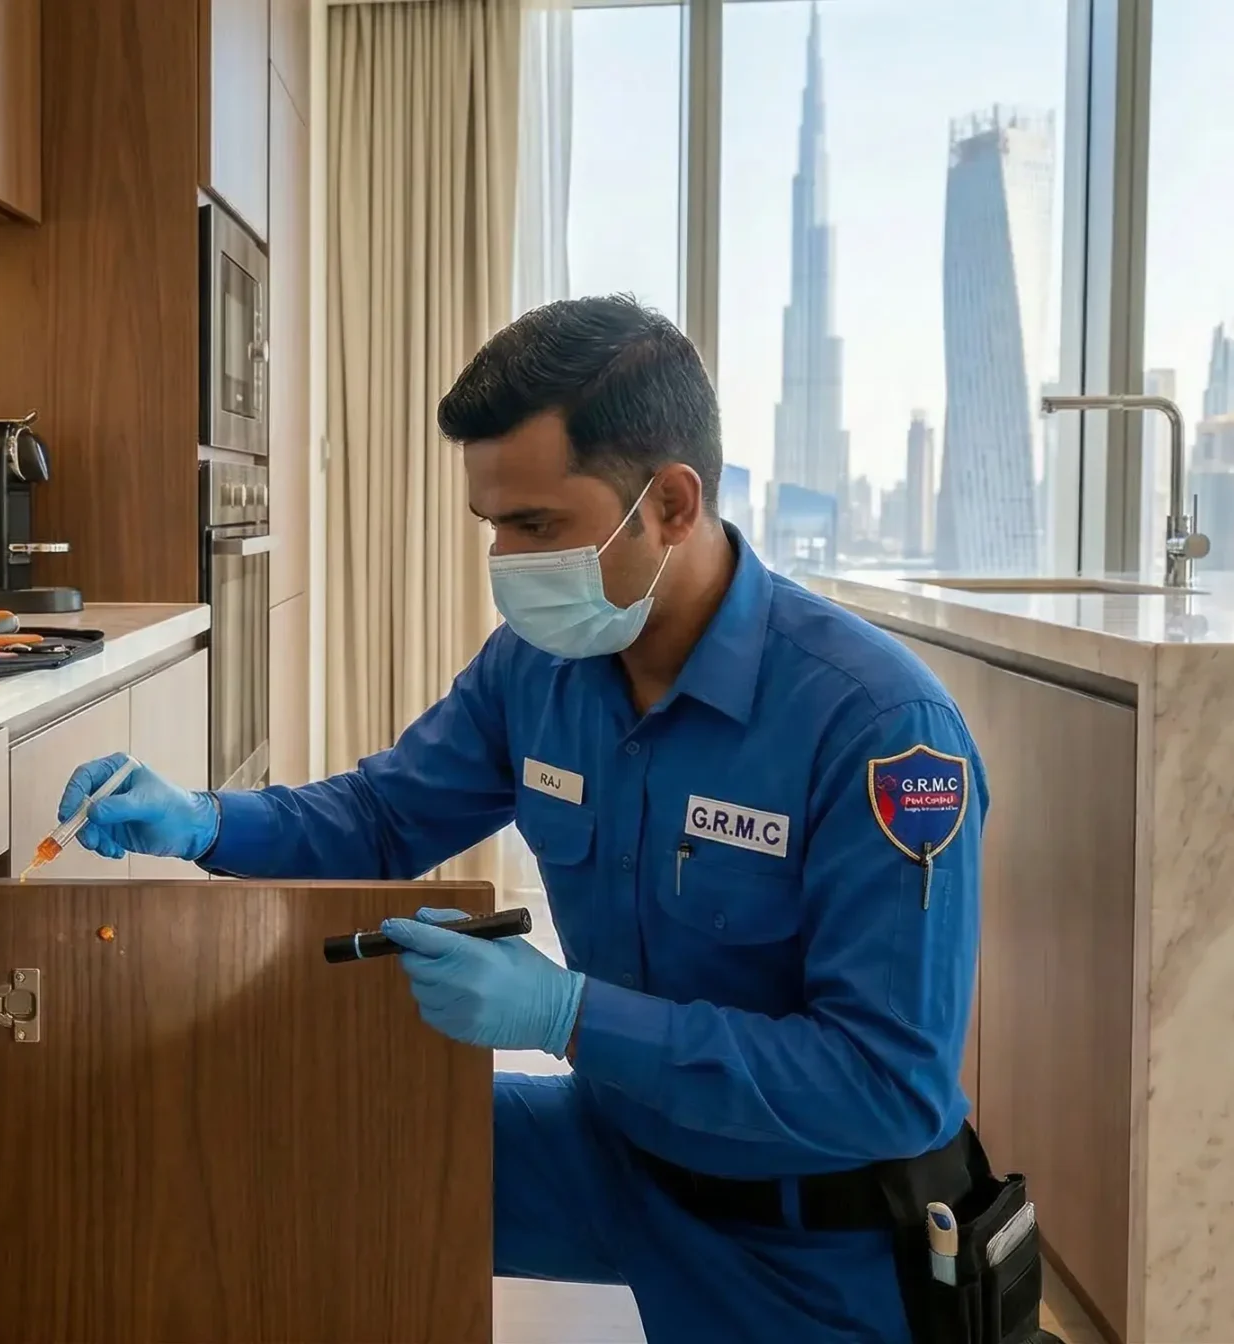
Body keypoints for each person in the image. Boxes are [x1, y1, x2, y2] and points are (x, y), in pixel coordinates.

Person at [57, 296, 986, 1343]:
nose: (504, 559)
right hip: (614, 1150)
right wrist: (205, 823)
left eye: (536, 526)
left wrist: (567, 1016)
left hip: (804, 1229)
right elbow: (383, 816)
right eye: (491, 525)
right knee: (301, 1144)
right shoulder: (537, 669)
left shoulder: (876, 726)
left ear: (671, 504)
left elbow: (885, 1086)